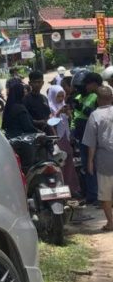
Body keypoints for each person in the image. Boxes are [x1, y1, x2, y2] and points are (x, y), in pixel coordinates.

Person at [82, 85, 113, 230]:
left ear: (98, 99)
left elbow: (91, 143)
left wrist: (89, 162)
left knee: (105, 195)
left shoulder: (95, 115)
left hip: (105, 161)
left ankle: (111, 222)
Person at [47, 84, 81, 196]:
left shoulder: (63, 105)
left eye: (62, 96)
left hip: (66, 138)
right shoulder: (51, 107)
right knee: (61, 164)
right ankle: (62, 190)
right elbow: (51, 123)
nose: (61, 99)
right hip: (58, 139)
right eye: (58, 96)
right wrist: (58, 113)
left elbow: (68, 122)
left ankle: (72, 188)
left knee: (70, 164)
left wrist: (68, 114)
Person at [74, 72, 102, 205]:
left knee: (95, 166)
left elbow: (97, 115)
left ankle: (99, 196)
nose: (85, 86)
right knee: (87, 166)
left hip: (94, 138)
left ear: (94, 84)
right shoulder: (84, 96)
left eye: (87, 84)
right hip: (84, 136)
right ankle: (92, 195)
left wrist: (81, 109)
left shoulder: (100, 96)